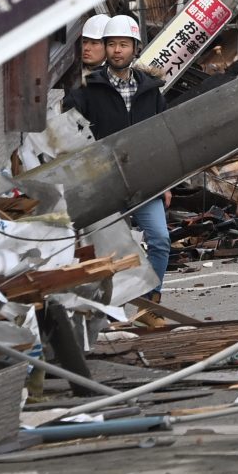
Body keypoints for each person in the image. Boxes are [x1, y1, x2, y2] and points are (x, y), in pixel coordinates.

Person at [64, 15, 173, 291]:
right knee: (104, 249)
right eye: (111, 44)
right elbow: (68, 132)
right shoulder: (89, 89)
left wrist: (167, 182)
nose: (116, 50)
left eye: (123, 44)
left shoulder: (150, 90)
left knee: (159, 239)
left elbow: (164, 137)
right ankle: (109, 306)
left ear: (135, 48)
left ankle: (152, 299)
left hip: (144, 180)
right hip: (104, 183)